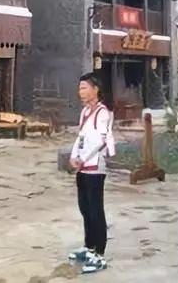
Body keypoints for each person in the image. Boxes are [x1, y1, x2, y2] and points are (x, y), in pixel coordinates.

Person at [68, 73, 115, 274]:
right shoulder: (85, 112)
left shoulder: (103, 113)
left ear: (96, 89)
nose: (81, 92)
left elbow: (100, 141)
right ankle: (89, 246)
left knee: (96, 210)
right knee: (85, 207)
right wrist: (73, 156)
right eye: (80, 88)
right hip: (82, 167)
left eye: (84, 88)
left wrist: (84, 158)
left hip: (95, 167)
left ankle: (99, 253)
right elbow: (81, 137)